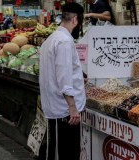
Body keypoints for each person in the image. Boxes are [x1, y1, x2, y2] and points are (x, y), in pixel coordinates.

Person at [39, 2, 86, 160]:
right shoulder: (65, 41)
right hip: (64, 113)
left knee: (56, 153)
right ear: (75, 20)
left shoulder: (51, 39)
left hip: (56, 110)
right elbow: (64, 78)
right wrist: (72, 107)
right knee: (66, 154)